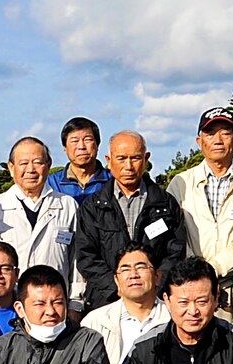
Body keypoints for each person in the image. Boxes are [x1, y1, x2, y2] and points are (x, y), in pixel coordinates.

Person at [166, 106, 233, 324]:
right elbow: (173, 234)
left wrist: (213, 268)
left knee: (229, 351)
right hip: (188, 287)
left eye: (225, 132)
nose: (218, 140)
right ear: (199, 141)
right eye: (210, 133)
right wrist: (195, 271)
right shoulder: (180, 183)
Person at [77, 130, 185, 310]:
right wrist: (117, 288)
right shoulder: (92, 207)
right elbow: (86, 256)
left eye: (135, 158)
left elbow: (175, 252)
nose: (128, 166)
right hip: (106, 302)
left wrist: (153, 287)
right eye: (121, 158)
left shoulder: (165, 204)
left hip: (156, 302)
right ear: (108, 160)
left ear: (146, 159)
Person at [0, 136, 85, 315]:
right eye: (23, 163)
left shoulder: (67, 205)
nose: (31, 169)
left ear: (48, 164)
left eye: (37, 162)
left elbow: (77, 260)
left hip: (54, 308)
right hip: (7, 307)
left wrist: (76, 303)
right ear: (11, 168)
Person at [81, 245, 170, 364]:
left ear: (157, 276)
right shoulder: (95, 321)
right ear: (116, 280)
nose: (133, 275)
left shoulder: (173, 317)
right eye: (125, 269)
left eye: (141, 267)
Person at [46, 116, 111, 201]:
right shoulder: (51, 183)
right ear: (64, 147)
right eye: (74, 141)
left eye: (87, 140)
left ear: (97, 144)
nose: (81, 146)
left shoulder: (113, 181)